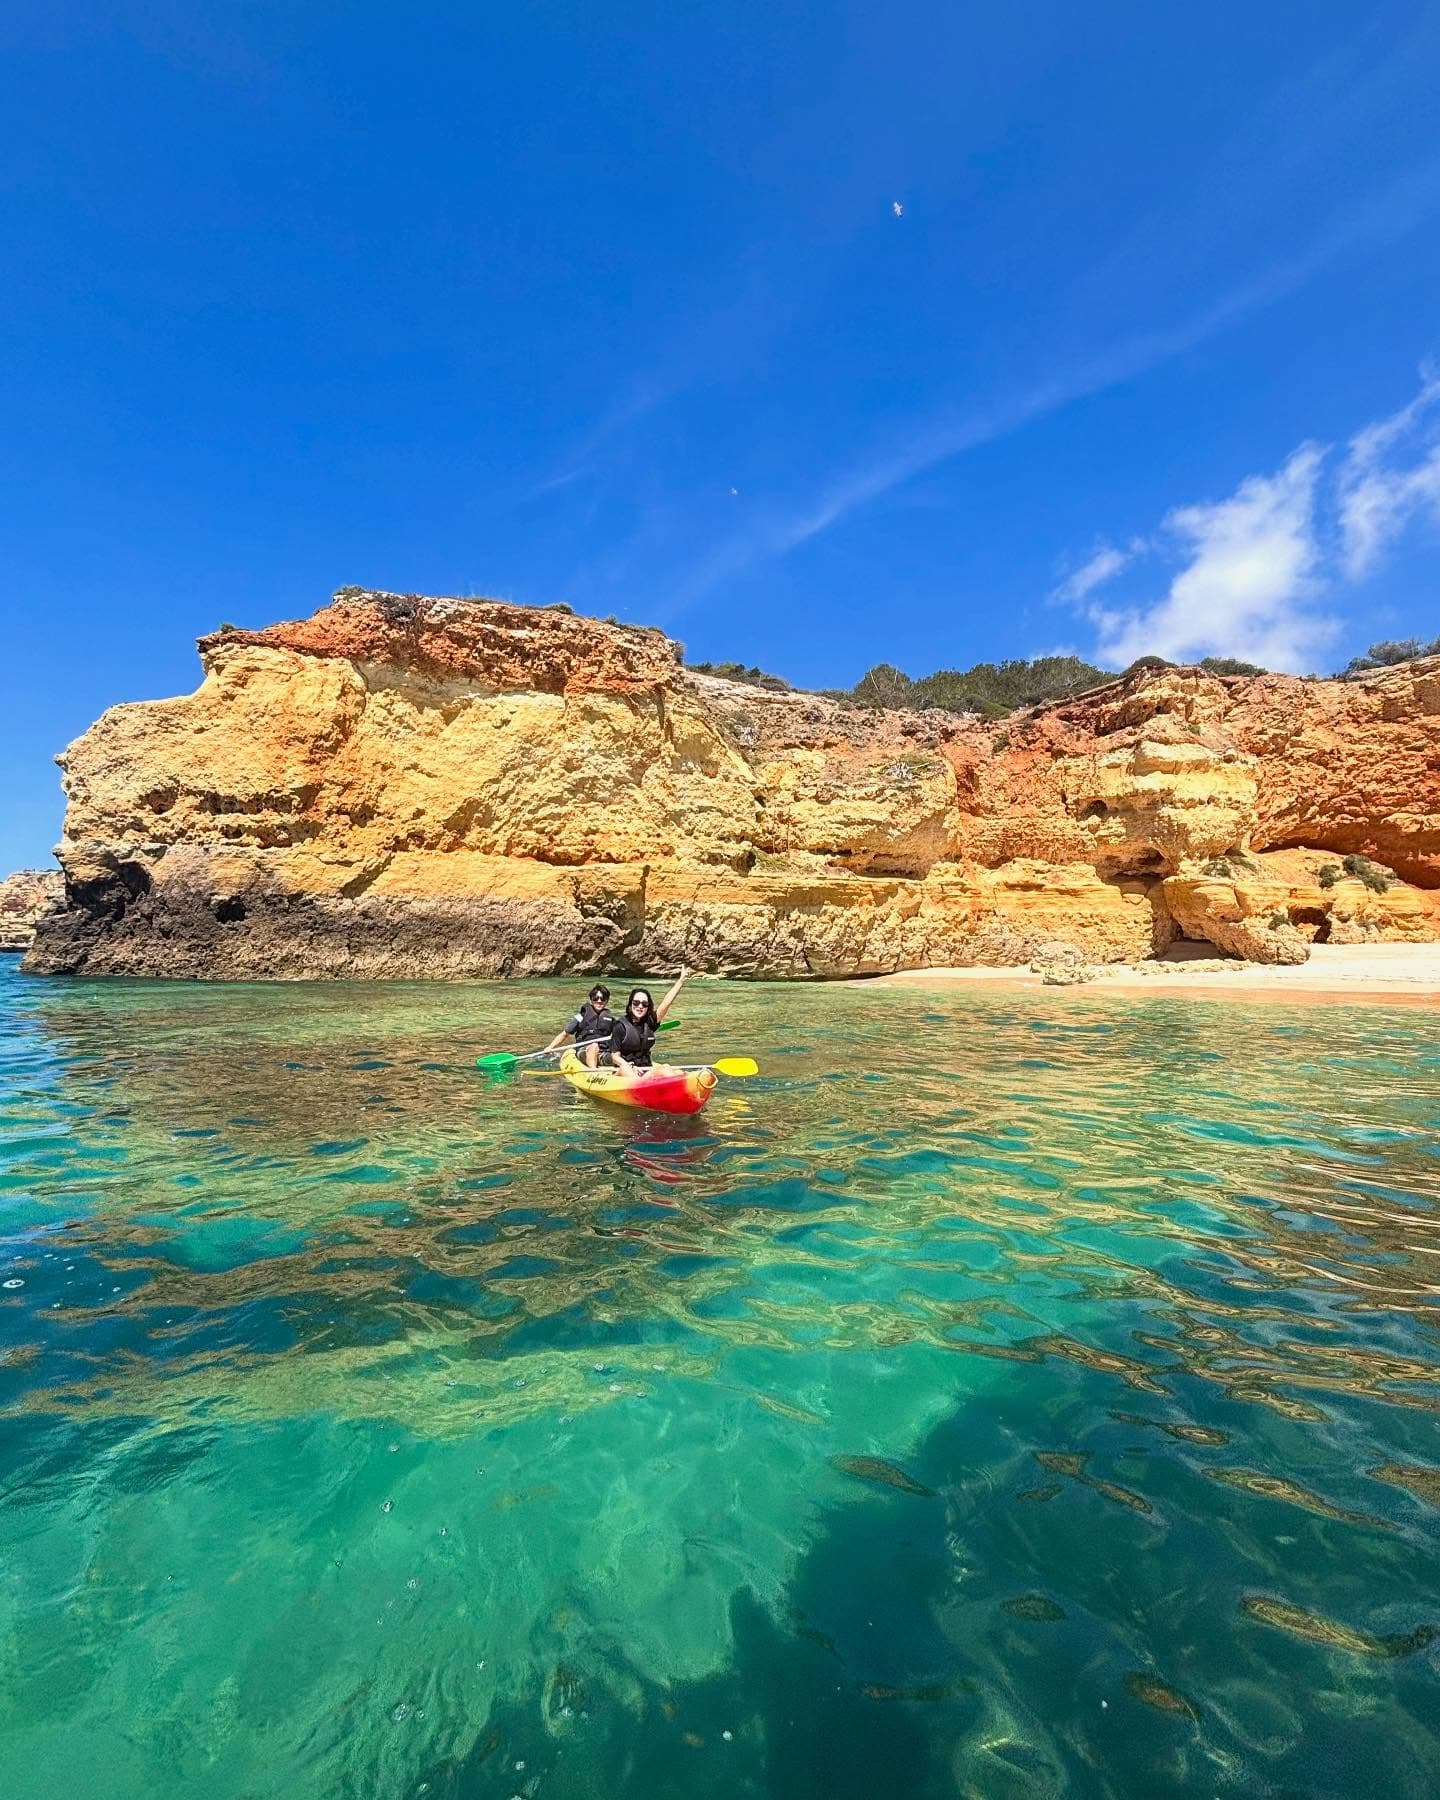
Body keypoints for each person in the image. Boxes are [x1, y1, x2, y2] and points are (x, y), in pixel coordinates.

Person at [610, 968, 690, 1077]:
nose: (640, 1006)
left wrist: (681, 981)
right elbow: (615, 1057)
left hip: (645, 1068)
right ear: (630, 1005)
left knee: (669, 1068)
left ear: (648, 1007)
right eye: (636, 1003)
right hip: (626, 1072)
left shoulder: (650, 1022)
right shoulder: (620, 1026)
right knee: (658, 1071)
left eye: (644, 1004)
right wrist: (629, 1066)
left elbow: (666, 1003)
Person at [544, 983, 615, 1069]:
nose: (599, 1001)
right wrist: (550, 1047)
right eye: (596, 998)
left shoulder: (611, 1019)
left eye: (602, 998)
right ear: (591, 999)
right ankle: (593, 1072)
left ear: (607, 1000)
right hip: (584, 1051)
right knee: (593, 1046)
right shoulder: (580, 1016)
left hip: (602, 1052)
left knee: (617, 1056)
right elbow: (565, 1034)